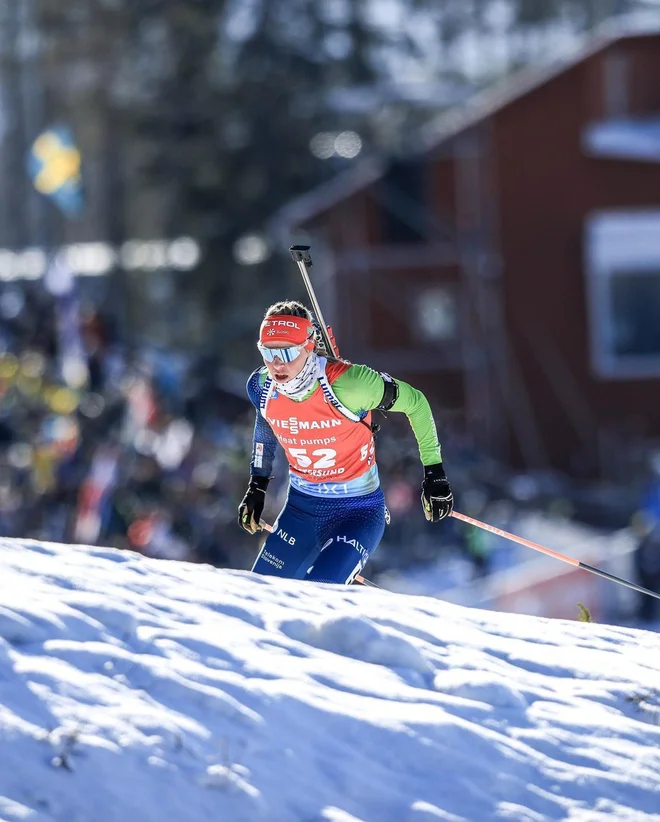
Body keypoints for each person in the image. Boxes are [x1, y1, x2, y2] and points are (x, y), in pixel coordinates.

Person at [237, 300, 453, 584]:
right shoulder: (261, 387)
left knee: (319, 595)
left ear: (308, 345)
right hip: (301, 512)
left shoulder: (351, 385)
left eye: (287, 352)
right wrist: (257, 486)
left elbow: (417, 403)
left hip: (358, 513)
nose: (277, 364)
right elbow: (266, 423)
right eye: (267, 352)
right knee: (261, 599)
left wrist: (434, 473)